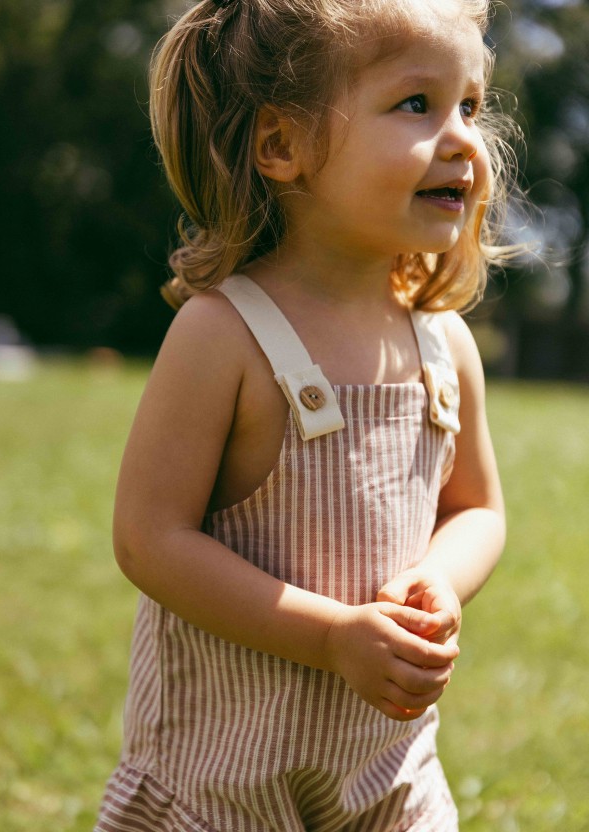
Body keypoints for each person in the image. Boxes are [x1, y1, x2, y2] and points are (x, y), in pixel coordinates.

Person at [95, 0, 516, 828]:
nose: (465, 138)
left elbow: (477, 511)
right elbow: (150, 538)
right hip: (224, 782)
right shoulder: (224, 335)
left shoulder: (443, 345)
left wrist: (442, 579)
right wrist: (331, 637)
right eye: (415, 105)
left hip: (386, 777)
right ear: (283, 147)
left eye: (469, 104)